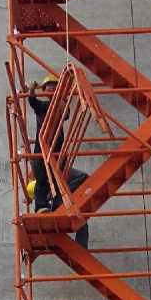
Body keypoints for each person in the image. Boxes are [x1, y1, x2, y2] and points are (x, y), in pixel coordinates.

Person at [27, 76, 89, 248]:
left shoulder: (61, 106)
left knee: (61, 180)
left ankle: (57, 206)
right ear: (45, 90)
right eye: (49, 87)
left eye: (55, 86)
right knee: (42, 182)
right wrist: (32, 90)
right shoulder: (43, 107)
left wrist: (60, 96)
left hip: (58, 152)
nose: (52, 89)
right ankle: (42, 207)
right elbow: (32, 102)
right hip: (42, 152)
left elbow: (66, 112)